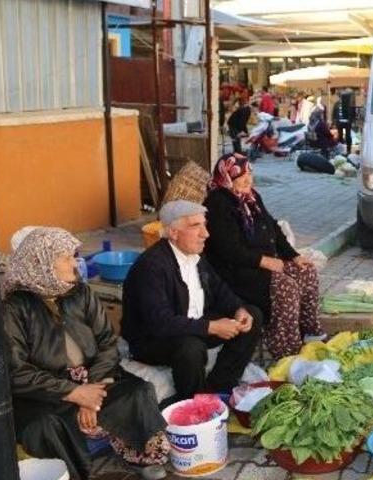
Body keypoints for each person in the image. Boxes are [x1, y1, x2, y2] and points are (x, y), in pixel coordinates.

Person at [3, 228, 168, 480]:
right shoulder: (14, 307)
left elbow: (107, 342)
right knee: (45, 427)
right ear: (43, 264)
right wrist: (73, 393)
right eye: (66, 258)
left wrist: (93, 390)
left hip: (93, 378)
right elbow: (16, 370)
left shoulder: (80, 292)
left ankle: (142, 457)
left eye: (74, 256)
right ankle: (78, 472)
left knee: (138, 391)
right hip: (45, 392)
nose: (75, 264)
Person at [122, 200, 263, 401]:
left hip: (193, 325)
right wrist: (211, 327)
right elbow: (160, 323)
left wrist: (238, 309)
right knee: (190, 348)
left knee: (252, 316)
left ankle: (218, 387)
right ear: (173, 233)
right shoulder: (152, 266)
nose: (205, 233)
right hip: (153, 340)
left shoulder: (195, 256)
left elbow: (220, 289)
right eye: (196, 226)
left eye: (204, 225)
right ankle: (192, 402)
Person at [204, 153, 324, 359]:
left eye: (249, 174)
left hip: (260, 265)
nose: (248, 180)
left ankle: (310, 333)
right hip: (237, 273)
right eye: (241, 177)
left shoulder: (251, 198)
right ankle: (286, 351)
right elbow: (229, 249)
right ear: (227, 177)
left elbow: (273, 228)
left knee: (306, 271)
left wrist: (293, 256)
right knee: (286, 287)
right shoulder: (218, 203)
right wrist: (264, 261)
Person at [333, 88, 357, 154]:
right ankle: (341, 150)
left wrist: (353, 121)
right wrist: (334, 122)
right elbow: (334, 113)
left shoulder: (350, 103)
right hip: (339, 122)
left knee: (348, 136)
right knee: (340, 136)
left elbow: (353, 113)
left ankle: (348, 150)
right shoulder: (336, 104)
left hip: (347, 122)